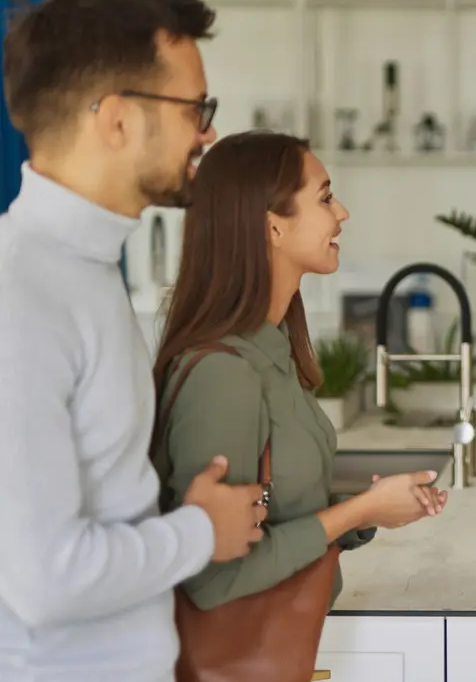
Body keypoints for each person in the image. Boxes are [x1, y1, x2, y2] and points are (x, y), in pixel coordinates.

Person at [0, 0, 270, 682]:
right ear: (117, 119)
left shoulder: (82, 269)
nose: (208, 131)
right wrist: (201, 533)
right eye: (195, 108)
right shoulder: (19, 292)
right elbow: (46, 579)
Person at [150, 130, 447, 617]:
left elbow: (274, 511)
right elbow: (214, 578)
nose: (342, 213)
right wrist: (359, 510)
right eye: (326, 197)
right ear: (272, 227)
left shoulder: (272, 348)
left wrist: (368, 508)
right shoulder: (222, 374)